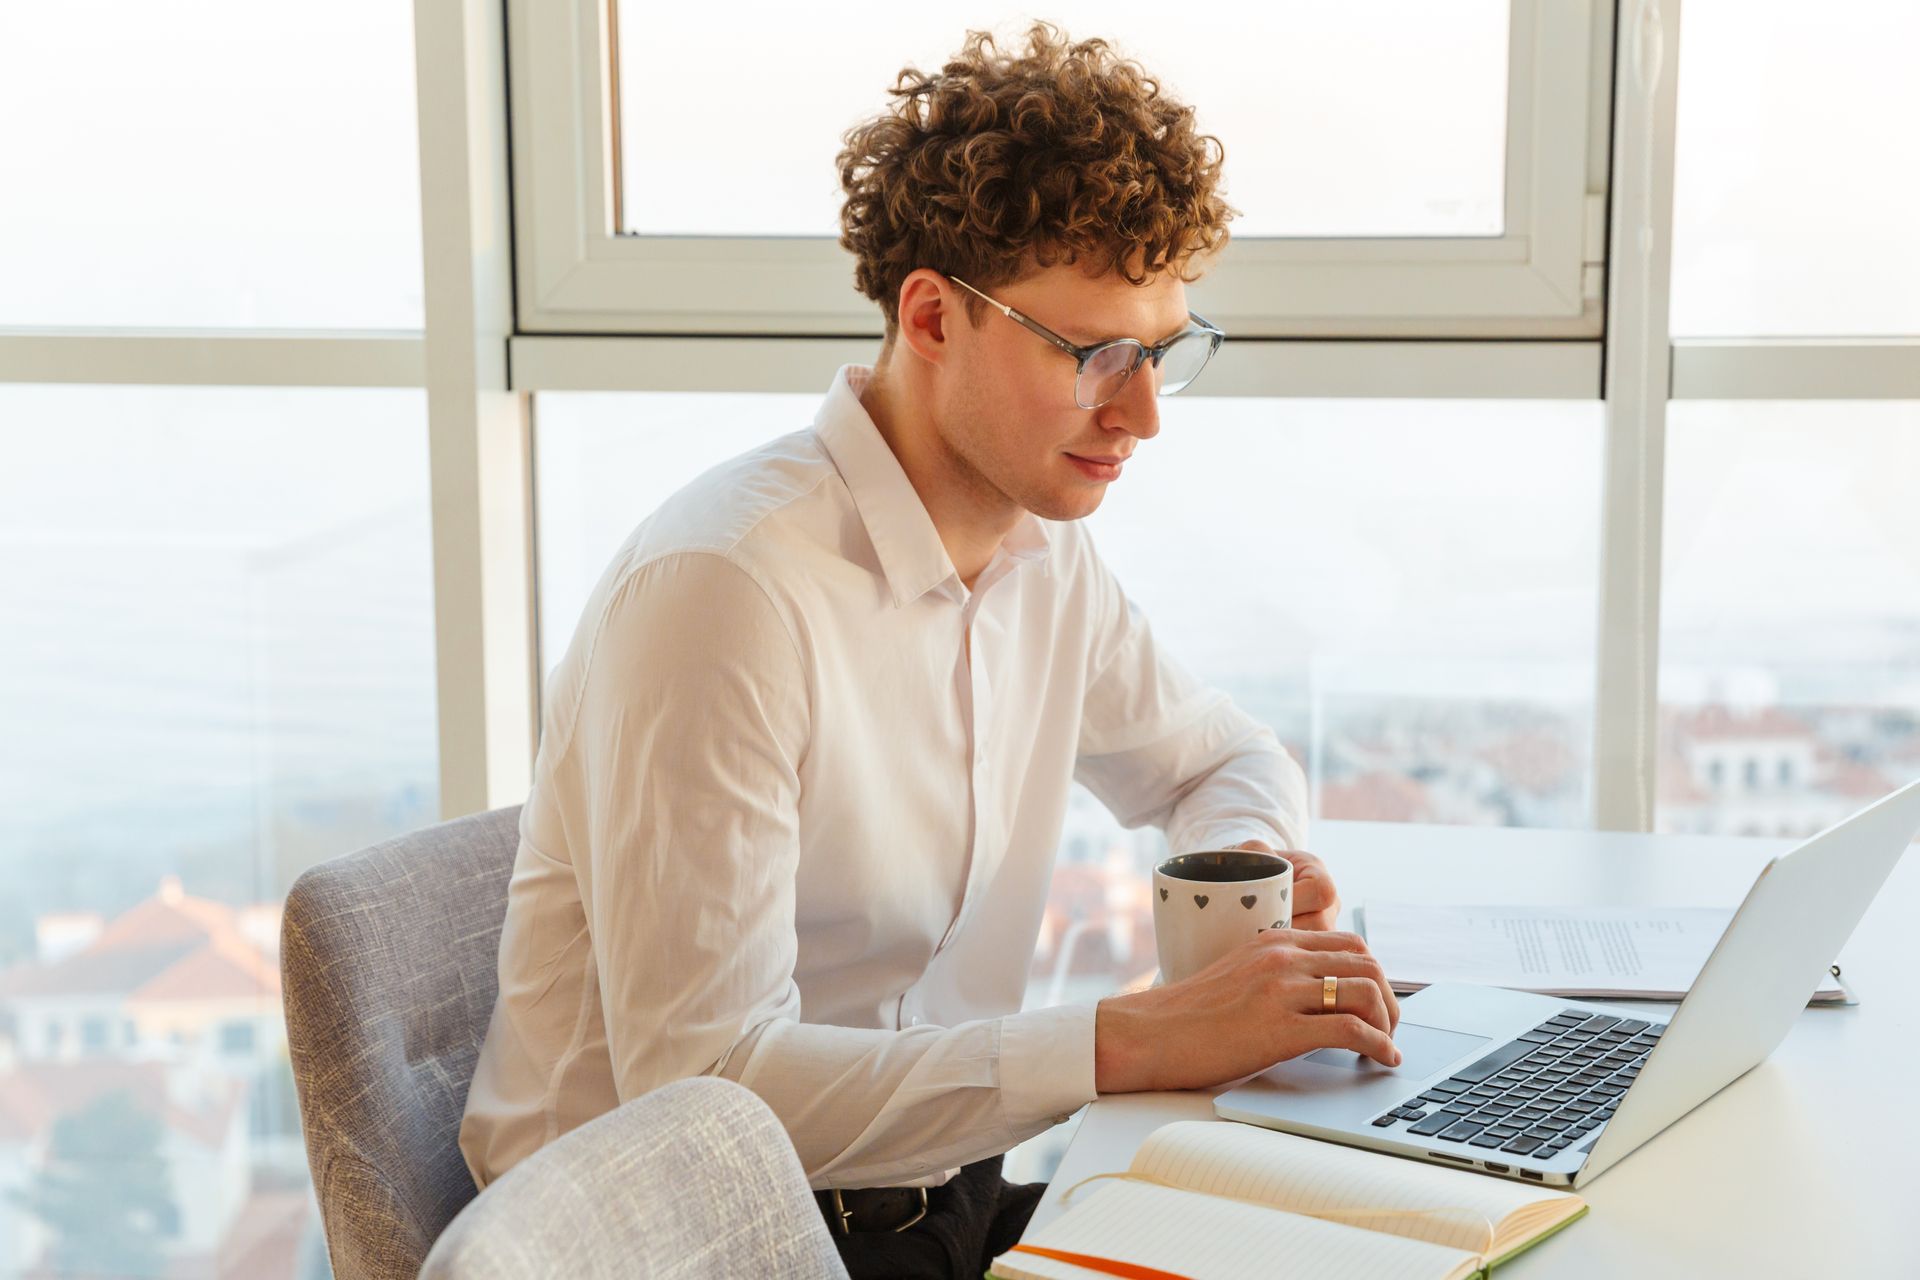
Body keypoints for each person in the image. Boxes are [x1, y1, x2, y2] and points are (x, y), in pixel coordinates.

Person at [457, 20, 1402, 1279]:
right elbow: (709, 1091)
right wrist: (1140, 1037)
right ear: (933, 316)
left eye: (1167, 349)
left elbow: (1213, 758)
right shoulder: (728, 594)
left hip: (931, 1203)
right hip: (696, 1242)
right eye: (1098, 355)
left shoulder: (1040, 553)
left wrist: (1254, 891)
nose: (1145, 413)